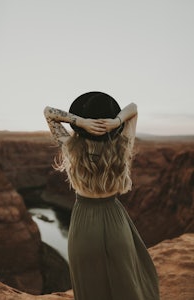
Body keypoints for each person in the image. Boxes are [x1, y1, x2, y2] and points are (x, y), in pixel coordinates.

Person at [44, 91, 160, 300]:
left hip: (83, 225)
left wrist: (80, 122)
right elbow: (133, 107)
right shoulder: (123, 145)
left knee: (90, 285)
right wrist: (116, 122)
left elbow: (48, 112)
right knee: (125, 281)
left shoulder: (71, 147)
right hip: (115, 221)